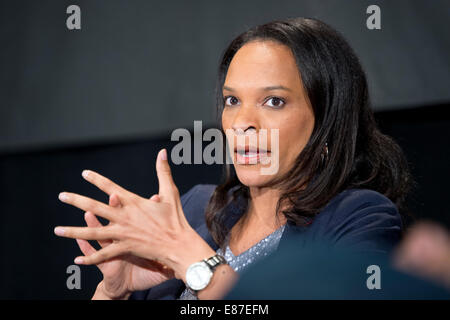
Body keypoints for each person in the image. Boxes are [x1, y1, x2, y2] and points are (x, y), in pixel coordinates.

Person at [53, 17, 413, 300]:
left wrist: (194, 261)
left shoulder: (359, 217)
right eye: (232, 101)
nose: (242, 123)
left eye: (274, 101)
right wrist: (115, 292)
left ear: (328, 119)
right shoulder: (196, 209)